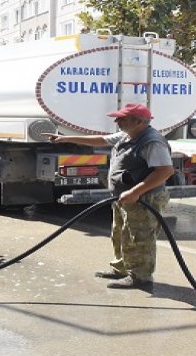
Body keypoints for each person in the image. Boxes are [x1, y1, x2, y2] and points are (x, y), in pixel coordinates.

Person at [42, 103, 174, 289]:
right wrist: (65, 139)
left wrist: (135, 192)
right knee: (120, 233)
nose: (116, 121)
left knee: (138, 237)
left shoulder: (151, 141)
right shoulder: (128, 135)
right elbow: (101, 140)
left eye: (122, 118)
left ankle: (140, 276)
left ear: (138, 121)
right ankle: (121, 268)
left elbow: (165, 171)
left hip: (144, 198)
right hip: (125, 195)